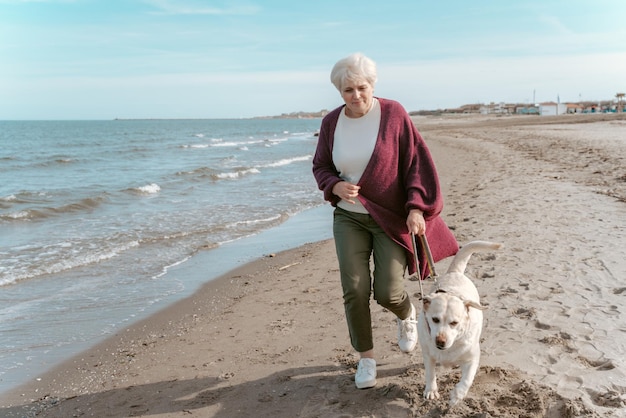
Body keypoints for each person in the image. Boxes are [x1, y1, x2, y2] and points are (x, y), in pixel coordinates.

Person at [312, 52, 458, 389]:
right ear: (339, 92)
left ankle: (406, 316)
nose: (356, 96)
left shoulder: (393, 114)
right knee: (355, 289)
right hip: (349, 219)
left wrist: (417, 208)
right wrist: (334, 184)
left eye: (362, 87)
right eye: (348, 90)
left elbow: (415, 163)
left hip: (390, 220)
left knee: (388, 292)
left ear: (372, 85)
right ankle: (366, 358)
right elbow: (320, 166)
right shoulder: (331, 123)